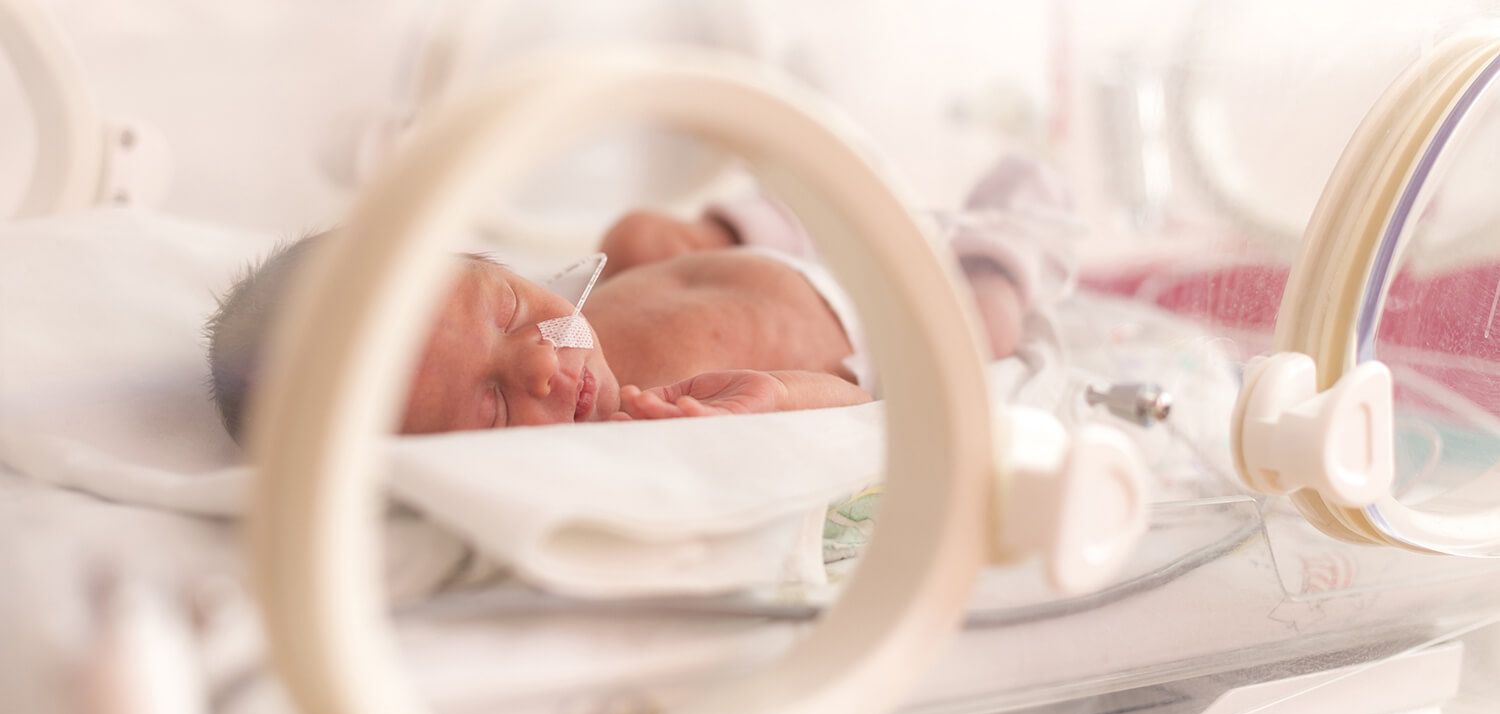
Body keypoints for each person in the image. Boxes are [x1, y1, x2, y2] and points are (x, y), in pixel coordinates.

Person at [205, 156, 1068, 439]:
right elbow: (853, 410)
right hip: (889, 325)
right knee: (981, 333)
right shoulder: (645, 421)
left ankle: (902, 206)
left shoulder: (570, 329)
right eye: (498, 409)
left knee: (648, 236)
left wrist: (677, 250)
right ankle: (1008, 239)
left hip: (790, 249)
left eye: (507, 310)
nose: (546, 360)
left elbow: (568, 304)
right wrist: (772, 403)